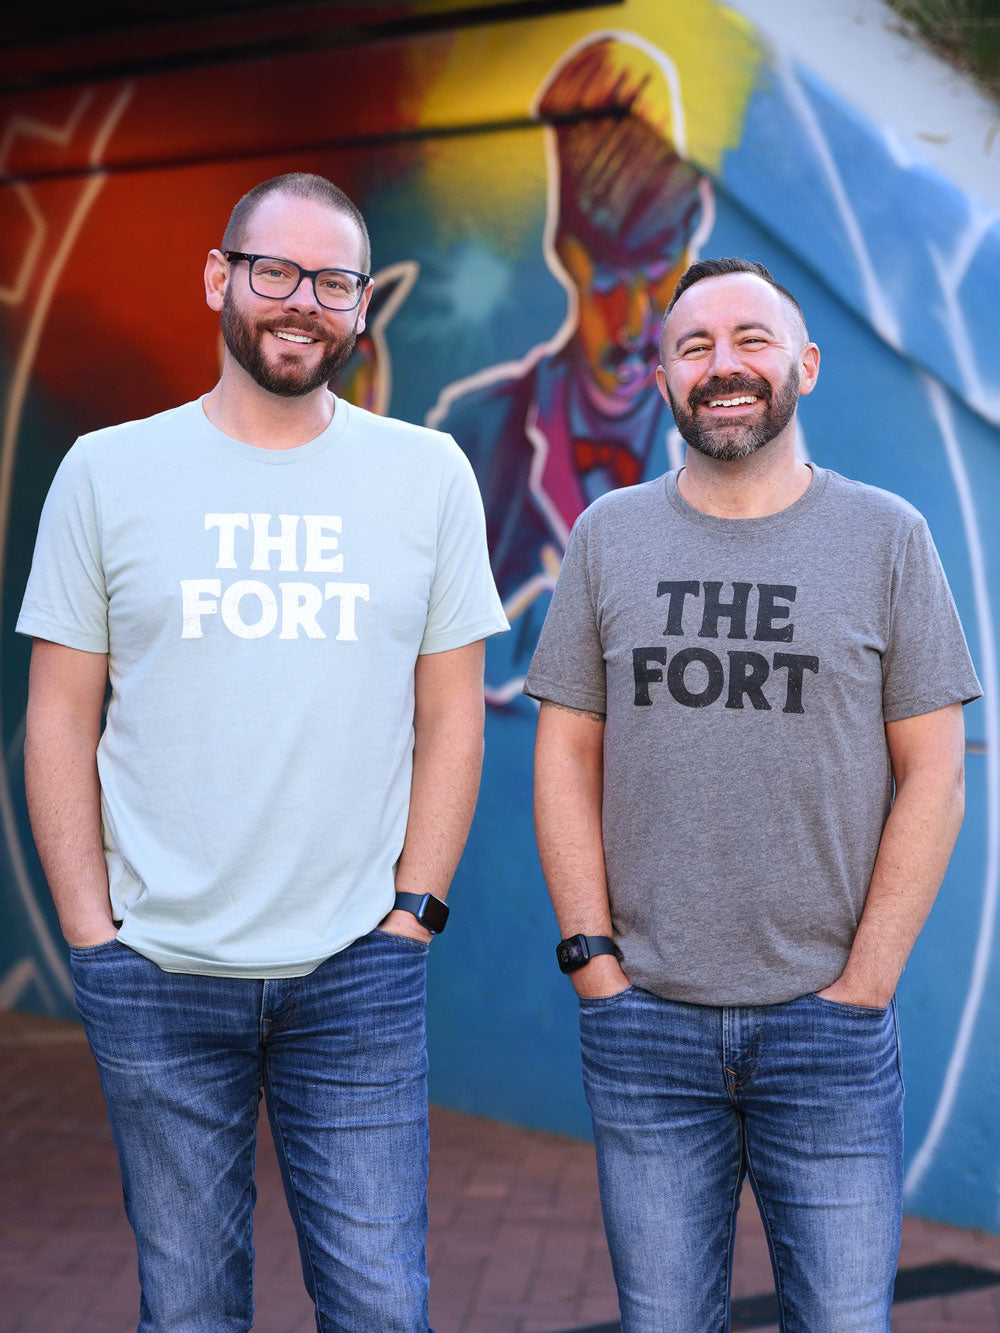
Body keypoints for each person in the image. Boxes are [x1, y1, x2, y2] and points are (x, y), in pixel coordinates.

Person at [17, 171, 507, 1332]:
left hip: (357, 974)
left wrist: (412, 918)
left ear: (359, 308)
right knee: (188, 1310)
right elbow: (57, 716)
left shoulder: (427, 473)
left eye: (333, 281)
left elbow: (452, 715)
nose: (302, 303)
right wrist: (93, 935)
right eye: (274, 271)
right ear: (218, 279)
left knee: (383, 1307)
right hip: (159, 971)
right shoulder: (105, 471)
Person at [525, 256, 981, 1331]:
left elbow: (936, 772)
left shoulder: (887, 537)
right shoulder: (607, 537)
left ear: (805, 366)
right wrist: (594, 963)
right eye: (693, 347)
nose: (723, 366)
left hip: (826, 1027)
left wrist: (863, 985)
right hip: (645, 1027)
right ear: (660, 375)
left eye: (750, 340)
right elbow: (563, 758)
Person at [428, 33, 712, 704]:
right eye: (610, 279)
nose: (638, 318)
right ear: (566, 252)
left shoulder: (730, 435)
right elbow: (418, 662)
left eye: (658, 272)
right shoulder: (474, 437)